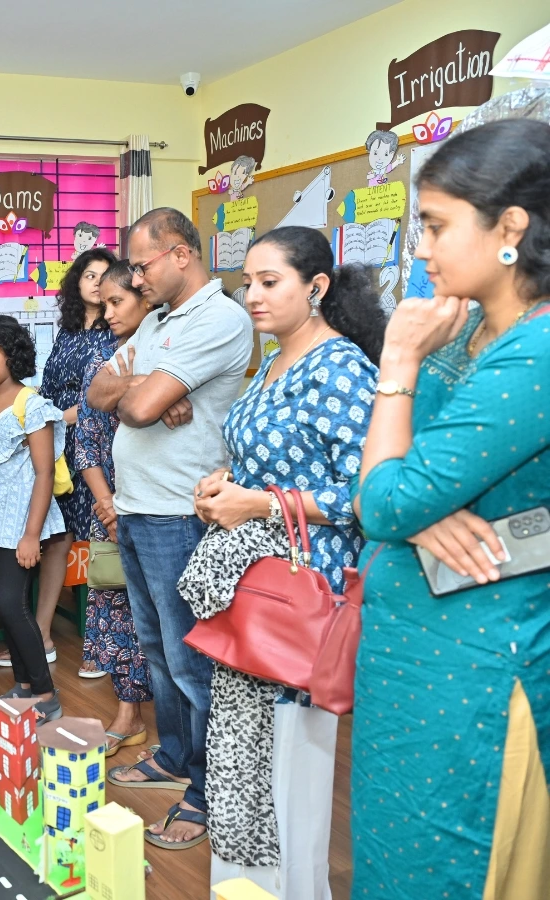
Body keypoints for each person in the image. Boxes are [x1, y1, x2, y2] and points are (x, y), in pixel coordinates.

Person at [351, 119, 550, 898]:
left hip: (474, 663)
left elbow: (385, 492)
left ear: (511, 228)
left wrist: (397, 362)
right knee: (388, 852)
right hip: (405, 647)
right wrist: (409, 504)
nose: (421, 248)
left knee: (449, 865)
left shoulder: (534, 353)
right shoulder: (461, 323)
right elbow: (382, 480)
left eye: (435, 225)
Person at [181, 227, 383, 897]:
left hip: (303, 594)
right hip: (250, 585)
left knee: (290, 772)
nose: (253, 295)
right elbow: (260, 462)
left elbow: (368, 495)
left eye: (271, 282)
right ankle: (246, 886)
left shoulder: (341, 367)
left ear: (316, 287)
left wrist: (260, 504)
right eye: (248, 282)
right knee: (244, 761)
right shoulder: (272, 364)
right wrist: (222, 483)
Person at [89, 208, 252, 849]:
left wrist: (146, 393)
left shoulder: (219, 319)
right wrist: (143, 389)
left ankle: (209, 794)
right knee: (157, 650)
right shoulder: (157, 321)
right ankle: (176, 756)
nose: (135, 276)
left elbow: (134, 404)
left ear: (180, 254)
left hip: (183, 513)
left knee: (191, 662)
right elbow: (103, 392)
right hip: (136, 506)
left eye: (141, 263)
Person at [0, 249, 116, 672]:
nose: (97, 283)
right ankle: (39, 634)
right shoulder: (66, 332)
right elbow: (48, 385)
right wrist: (39, 421)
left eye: (105, 275)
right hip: (56, 440)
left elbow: (101, 397)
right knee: (56, 536)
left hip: (95, 441)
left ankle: (108, 647)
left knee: (101, 536)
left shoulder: (114, 331)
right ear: (76, 281)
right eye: (89, 274)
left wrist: (58, 418)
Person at [76, 262, 163, 751]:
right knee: (115, 605)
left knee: (167, 611)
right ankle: (128, 713)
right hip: (109, 505)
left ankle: (179, 727)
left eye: (116, 302)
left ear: (145, 299)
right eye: (103, 303)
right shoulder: (101, 359)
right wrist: (107, 505)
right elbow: (86, 439)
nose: (106, 312)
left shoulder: (169, 350)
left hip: (162, 501)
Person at [0, 315, 64, 721]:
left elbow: (45, 472)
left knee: (11, 603)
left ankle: (46, 693)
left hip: (20, 524)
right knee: (3, 607)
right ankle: (23, 687)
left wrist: (31, 534)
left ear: (12, 354)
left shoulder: (31, 405)